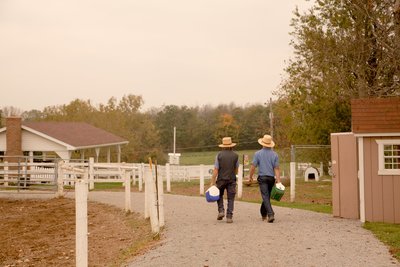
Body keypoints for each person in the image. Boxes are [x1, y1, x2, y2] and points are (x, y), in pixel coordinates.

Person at [248, 134, 281, 223]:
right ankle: (263, 214)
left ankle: (270, 214)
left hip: (262, 178)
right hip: (271, 178)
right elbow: (276, 169)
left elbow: (253, 166)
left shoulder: (257, 154)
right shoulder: (275, 154)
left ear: (262, 143)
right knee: (266, 196)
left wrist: (250, 177)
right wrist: (278, 181)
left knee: (265, 196)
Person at [210, 137, 239, 223]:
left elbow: (216, 169)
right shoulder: (235, 155)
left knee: (219, 195)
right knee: (231, 198)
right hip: (231, 179)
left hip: (221, 179)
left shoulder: (219, 155)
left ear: (223, 146)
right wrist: (233, 174)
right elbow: (236, 169)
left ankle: (221, 211)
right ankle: (229, 216)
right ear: (231, 145)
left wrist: (212, 181)